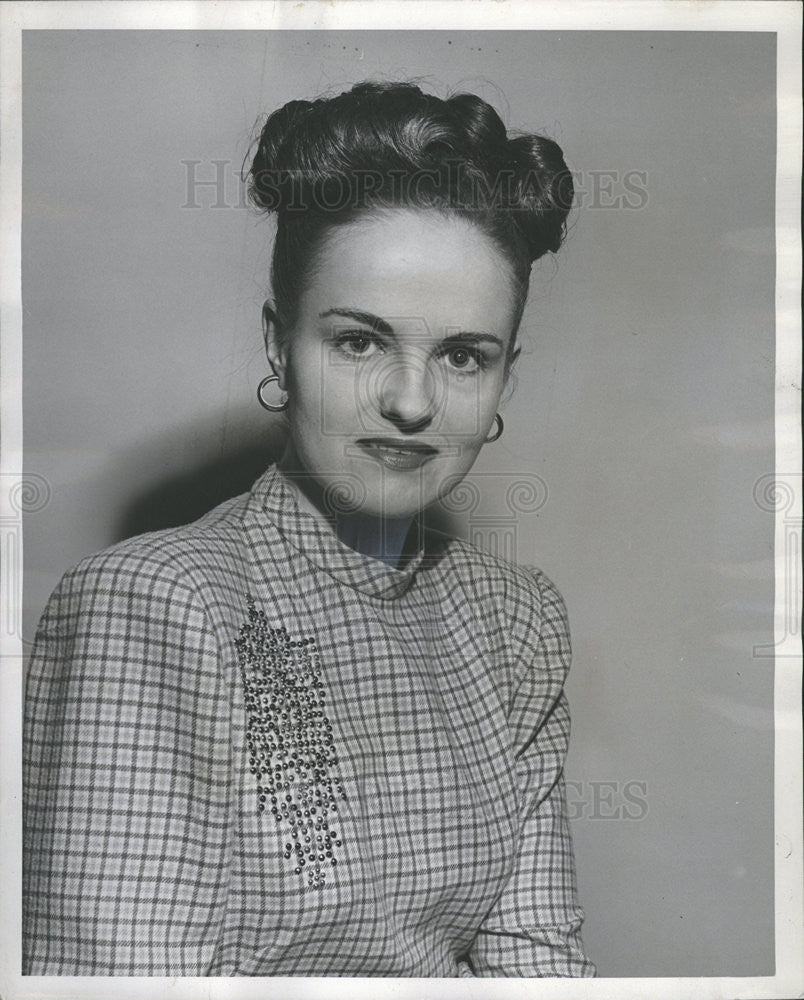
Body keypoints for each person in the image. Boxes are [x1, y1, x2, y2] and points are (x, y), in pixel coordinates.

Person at [23, 81, 595, 977]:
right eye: (359, 341)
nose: (412, 402)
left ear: (503, 385)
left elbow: (535, 959)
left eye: (462, 356)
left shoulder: (515, 623)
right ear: (278, 344)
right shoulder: (158, 604)